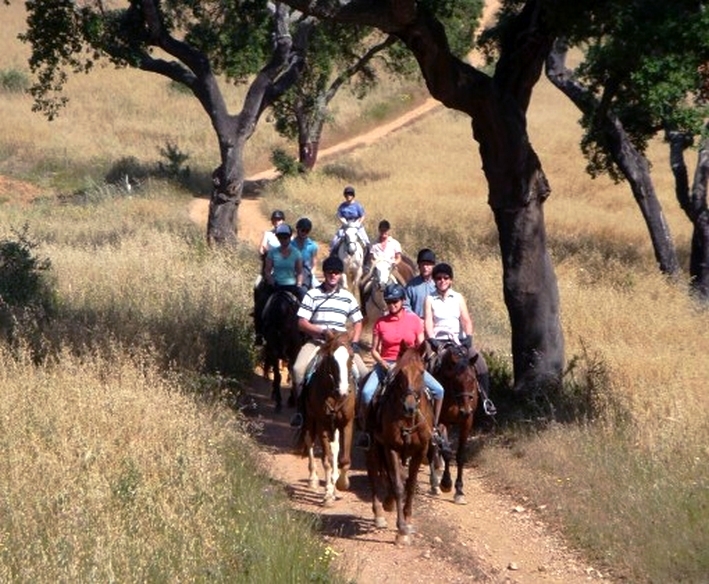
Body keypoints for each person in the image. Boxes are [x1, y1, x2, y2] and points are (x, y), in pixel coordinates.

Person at [357, 282, 447, 450]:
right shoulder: (380, 323)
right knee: (366, 392)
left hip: (410, 365)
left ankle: (433, 428)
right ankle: (367, 432)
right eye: (389, 301)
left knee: (439, 390)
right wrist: (384, 364)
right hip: (387, 363)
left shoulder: (414, 321)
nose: (392, 305)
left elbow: (421, 345)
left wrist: (422, 358)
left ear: (402, 301)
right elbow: (374, 350)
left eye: (395, 301)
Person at [290, 255, 367, 428]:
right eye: (330, 272)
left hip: (341, 344)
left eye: (337, 272)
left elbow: (358, 322)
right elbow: (301, 322)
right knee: (298, 369)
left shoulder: (347, 297)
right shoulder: (312, 294)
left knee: (363, 374)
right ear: (324, 273)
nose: (333, 275)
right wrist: (321, 331)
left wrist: (354, 342)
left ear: (341, 275)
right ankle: (301, 411)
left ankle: (359, 415)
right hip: (318, 342)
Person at [424, 262, 496, 415]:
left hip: (458, 340)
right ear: (434, 280)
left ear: (451, 280)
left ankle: (485, 400)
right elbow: (428, 321)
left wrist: (468, 337)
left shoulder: (458, 297)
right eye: (438, 278)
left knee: (480, 364)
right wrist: (432, 339)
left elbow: (465, 319)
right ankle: (427, 402)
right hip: (438, 341)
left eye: (445, 278)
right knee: (427, 365)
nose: (442, 281)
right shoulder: (429, 299)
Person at [254, 223, 306, 346]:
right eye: (281, 237)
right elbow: (267, 271)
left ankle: (305, 333)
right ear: (278, 237)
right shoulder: (272, 253)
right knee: (260, 305)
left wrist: (299, 283)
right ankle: (259, 334)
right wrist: (271, 281)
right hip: (276, 285)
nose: (283, 240)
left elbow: (299, 271)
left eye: (286, 237)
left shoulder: (296, 253)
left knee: (306, 303)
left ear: (290, 237)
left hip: (292, 286)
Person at [329, 185, 370, 257]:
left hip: (357, 225)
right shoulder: (342, 206)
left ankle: (367, 261)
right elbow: (339, 215)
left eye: (350, 194)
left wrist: (358, 223)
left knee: (366, 241)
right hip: (346, 225)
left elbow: (362, 215)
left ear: (353, 195)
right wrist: (344, 222)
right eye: (347, 194)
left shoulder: (358, 206)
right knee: (334, 241)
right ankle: (333, 257)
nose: (348, 196)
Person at [404, 248, 437, 319]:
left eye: (428, 265)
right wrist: (416, 319)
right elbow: (405, 306)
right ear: (419, 266)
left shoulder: (439, 283)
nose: (425, 267)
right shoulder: (411, 286)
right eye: (423, 264)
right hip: (417, 324)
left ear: (433, 266)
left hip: (436, 323)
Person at [292, 217, 319, 289]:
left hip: (306, 272)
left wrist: (311, 273)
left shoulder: (313, 246)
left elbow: (314, 263)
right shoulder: (290, 244)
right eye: (302, 230)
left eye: (307, 231)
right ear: (298, 229)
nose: (304, 233)